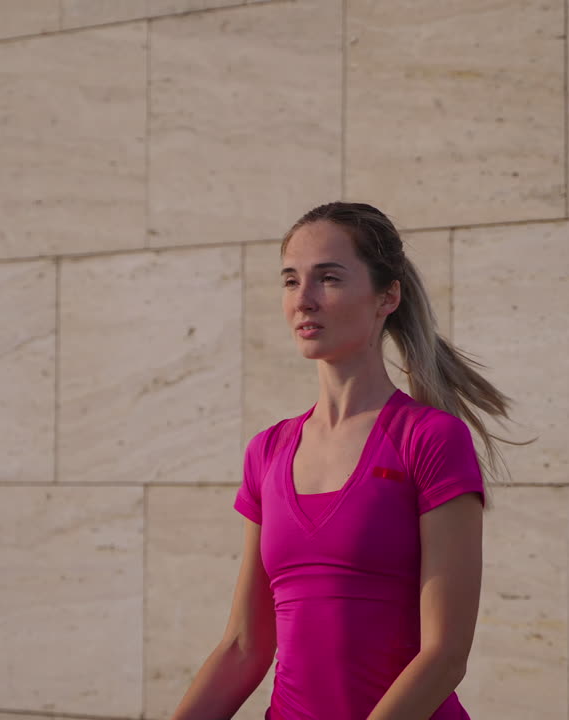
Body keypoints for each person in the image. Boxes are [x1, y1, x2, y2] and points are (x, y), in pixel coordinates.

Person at [168, 202, 523, 720]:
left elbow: (444, 656)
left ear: (387, 297)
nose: (304, 300)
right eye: (290, 281)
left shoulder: (430, 440)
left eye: (328, 278)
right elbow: (245, 646)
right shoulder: (267, 451)